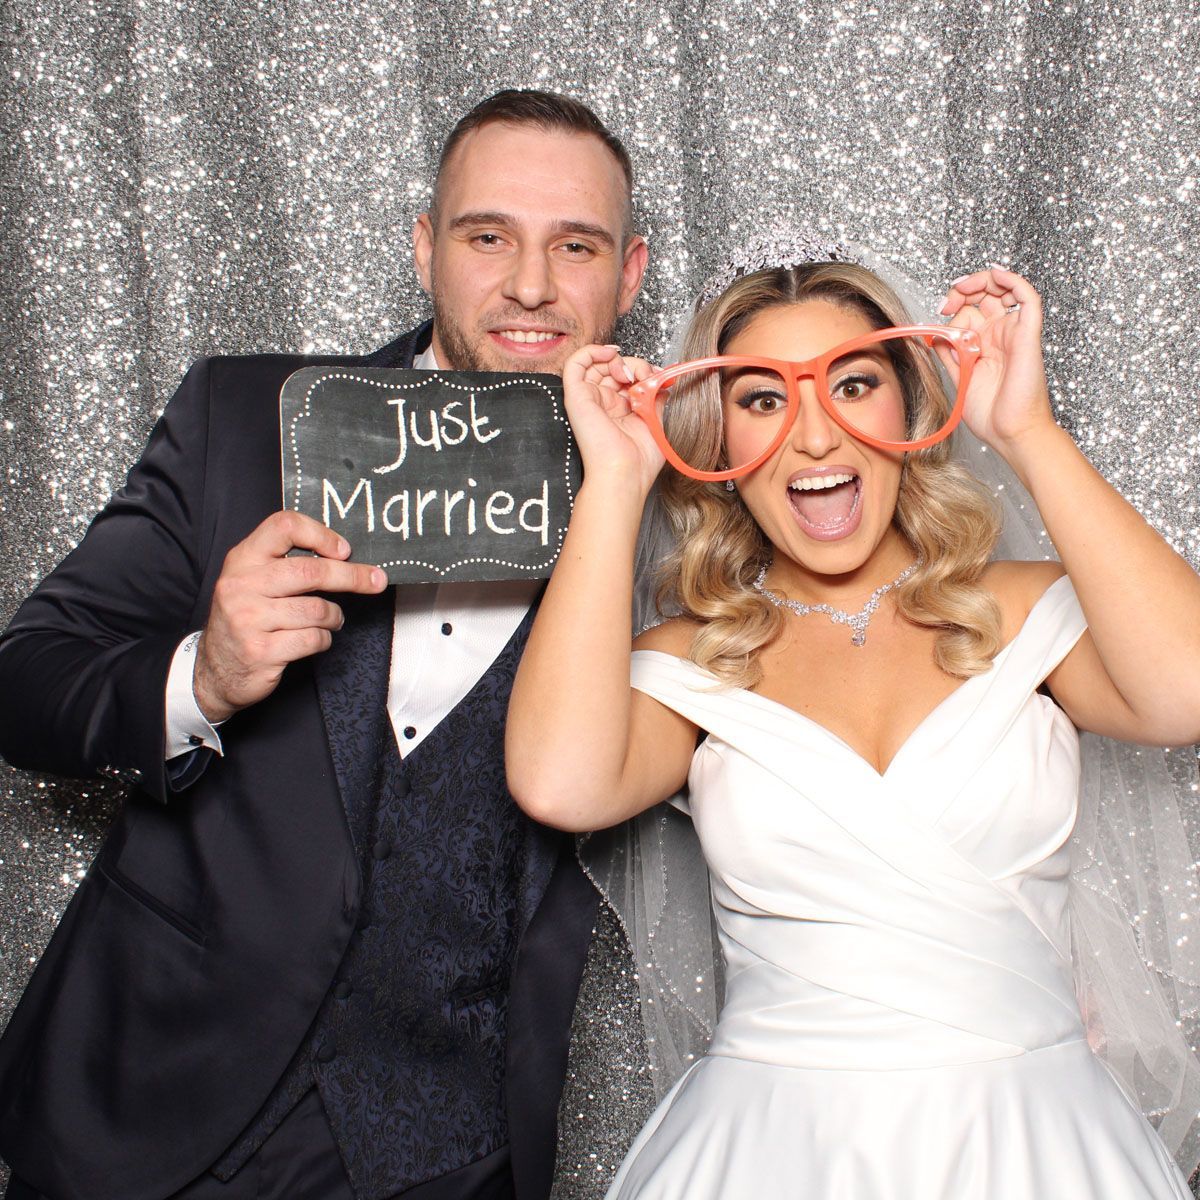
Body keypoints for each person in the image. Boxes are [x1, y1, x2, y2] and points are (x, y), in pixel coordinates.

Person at [0, 89, 648, 1200]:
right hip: (151, 1106)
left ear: (629, 275)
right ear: (424, 249)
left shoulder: (676, 519)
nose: (532, 284)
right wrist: (196, 676)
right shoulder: (243, 419)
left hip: (446, 1149)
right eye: (487, 235)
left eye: (574, 245)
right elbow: (25, 682)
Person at [505, 244, 1200, 1197]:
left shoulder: (1029, 609)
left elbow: (1188, 691)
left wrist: (1029, 431)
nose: (816, 437)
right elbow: (559, 783)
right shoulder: (690, 657)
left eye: (854, 384)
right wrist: (616, 483)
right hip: (769, 1156)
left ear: (910, 411)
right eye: (761, 399)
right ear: (718, 450)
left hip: (1034, 1148)